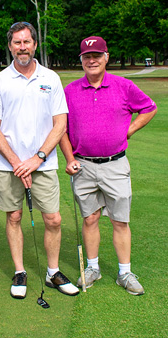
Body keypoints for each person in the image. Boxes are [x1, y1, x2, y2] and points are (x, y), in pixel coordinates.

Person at [0, 22, 79, 300]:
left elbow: (60, 124)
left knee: (53, 219)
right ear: (10, 46)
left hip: (43, 163)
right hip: (8, 165)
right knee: (14, 216)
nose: (22, 47)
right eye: (17, 42)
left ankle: (53, 271)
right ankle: (20, 271)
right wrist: (17, 162)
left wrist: (36, 159)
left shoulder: (51, 78)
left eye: (27, 42)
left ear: (35, 44)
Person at [60, 36, 157, 295]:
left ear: (106, 57)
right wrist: (69, 159)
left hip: (115, 165)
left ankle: (125, 273)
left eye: (97, 55)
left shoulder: (123, 86)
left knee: (119, 220)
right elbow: (61, 130)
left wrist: (129, 131)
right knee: (90, 218)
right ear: (81, 60)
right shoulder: (69, 91)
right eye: (86, 57)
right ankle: (92, 268)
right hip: (82, 165)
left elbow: (149, 107)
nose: (92, 60)